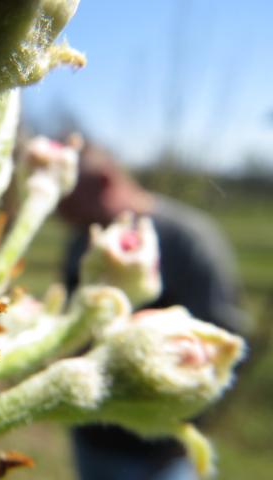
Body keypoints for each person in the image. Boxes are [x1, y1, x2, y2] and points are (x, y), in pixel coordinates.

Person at [57, 141, 247, 480]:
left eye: (68, 199)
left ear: (103, 181)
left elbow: (223, 342)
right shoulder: (82, 241)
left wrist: (183, 425)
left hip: (158, 454)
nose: (62, 213)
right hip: (91, 435)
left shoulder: (188, 241)